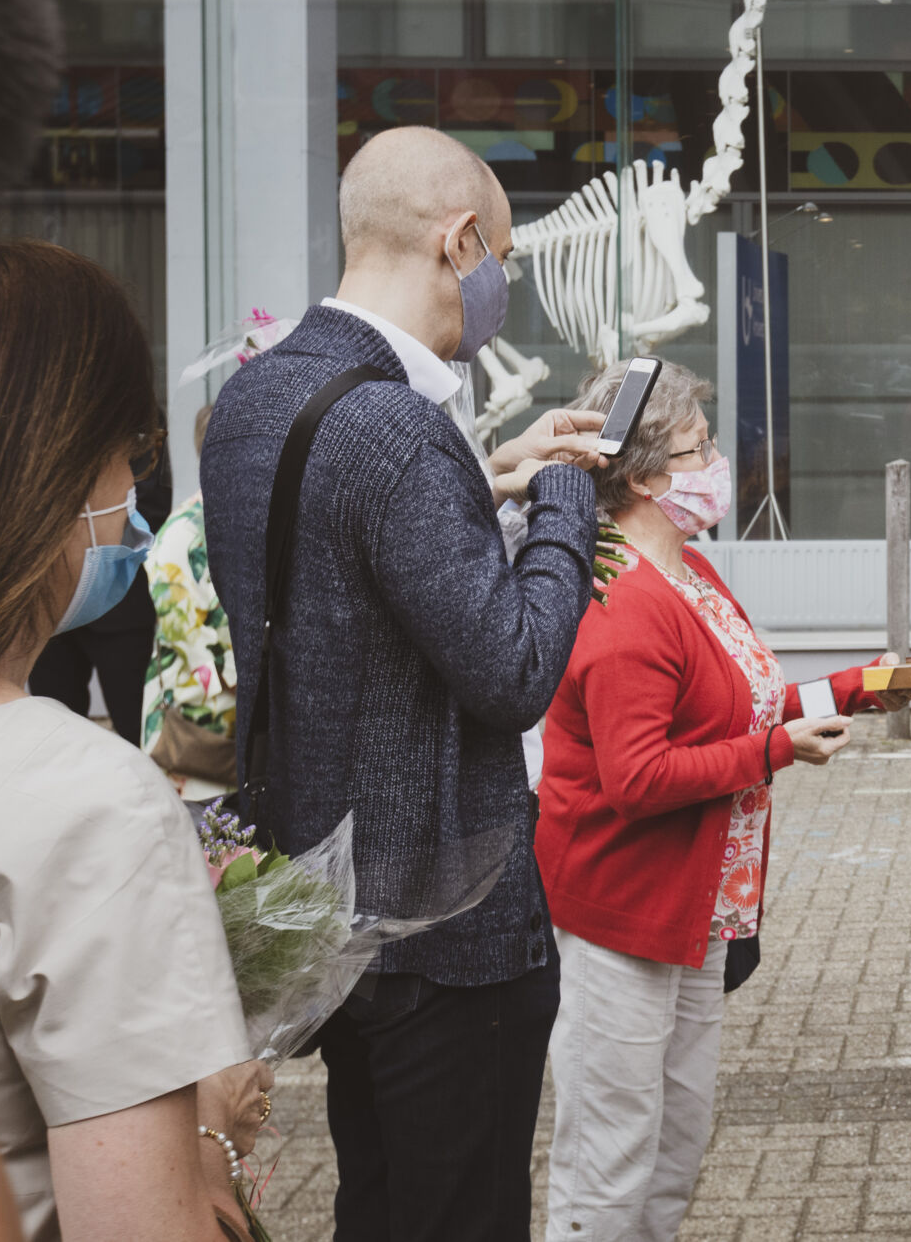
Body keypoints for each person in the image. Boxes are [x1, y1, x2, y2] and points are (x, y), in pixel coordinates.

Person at [201, 125, 604, 1241]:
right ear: (458, 240)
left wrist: (490, 472)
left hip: (328, 910)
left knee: (376, 1202)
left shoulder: (257, 398)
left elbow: (333, 560)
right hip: (448, 926)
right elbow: (513, 667)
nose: (501, 285)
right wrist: (566, 493)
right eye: (504, 259)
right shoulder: (399, 429)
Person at [0, 237, 274, 1242]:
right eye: (132, 449)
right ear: (53, 460)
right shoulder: (85, 802)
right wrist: (205, 1130)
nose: (135, 487)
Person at [535, 358, 911, 1239]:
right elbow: (639, 778)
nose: (718, 462)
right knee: (610, 1160)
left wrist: (858, 687)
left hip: (697, 911)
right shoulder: (625, 599)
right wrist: (778, 750)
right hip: (626, 914)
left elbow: (737, 707)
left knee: (672, 1145)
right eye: (697, 446)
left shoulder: (692, 574)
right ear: (637, 475)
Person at [27, 448, 168, 742]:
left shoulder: (123, 412)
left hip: (120, 604)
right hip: (47, 603)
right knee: (54, 733)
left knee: (136, 727)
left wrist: (103, 547)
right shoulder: (27, 413)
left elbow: (152, 497)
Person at [141, 406, 238, 795]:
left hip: (236, 717)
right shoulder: (182, 533)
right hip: (197, 723)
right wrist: (240, 676)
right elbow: (183, 630)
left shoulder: (240, 519)